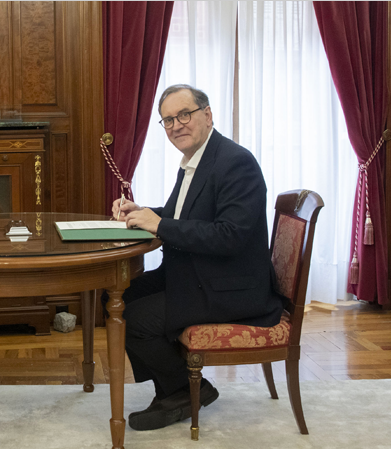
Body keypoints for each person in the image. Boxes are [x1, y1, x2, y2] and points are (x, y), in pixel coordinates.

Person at [112, 84, 284, 431]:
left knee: (134, 317)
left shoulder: (236, 162)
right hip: (198, 273)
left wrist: (158, 224)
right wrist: (140, 212)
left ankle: (183, 390)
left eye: (184, 115)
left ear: (207, 115)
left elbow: (229, 235)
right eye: (168, 120)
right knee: (118, 295)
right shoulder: (196, 161)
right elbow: (183, 216)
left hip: (230, 287)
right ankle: (174, 385)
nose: (176, 125)